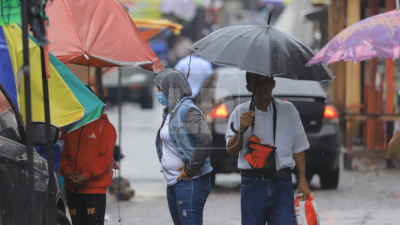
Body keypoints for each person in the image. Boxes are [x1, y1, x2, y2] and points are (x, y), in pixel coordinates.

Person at [225, 72, 311, 225]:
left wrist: (302, 180)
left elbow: (299, 147)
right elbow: (231, 150)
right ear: (249, 87)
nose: (263, 87)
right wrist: (241, 129)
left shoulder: (288, 110)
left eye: (266, 81)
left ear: (273, 84)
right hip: (252, 184)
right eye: (257, 83)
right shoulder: (240, 112)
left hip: (282, 184)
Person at [154, 68, 213, 225]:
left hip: (191, 182)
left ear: (170, 89)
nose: (158, 93)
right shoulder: (170, 113)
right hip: (174, 183)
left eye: (160, 88)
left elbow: (205, 139)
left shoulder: (187, 110)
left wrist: (190, 169)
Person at [60, 110, 117, 225]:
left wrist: (85, 176)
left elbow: (105, 159)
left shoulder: (105, 127)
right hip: (72, 188)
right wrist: (68, 172)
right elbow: (62, 154)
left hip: (95, 190)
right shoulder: (70, 127)